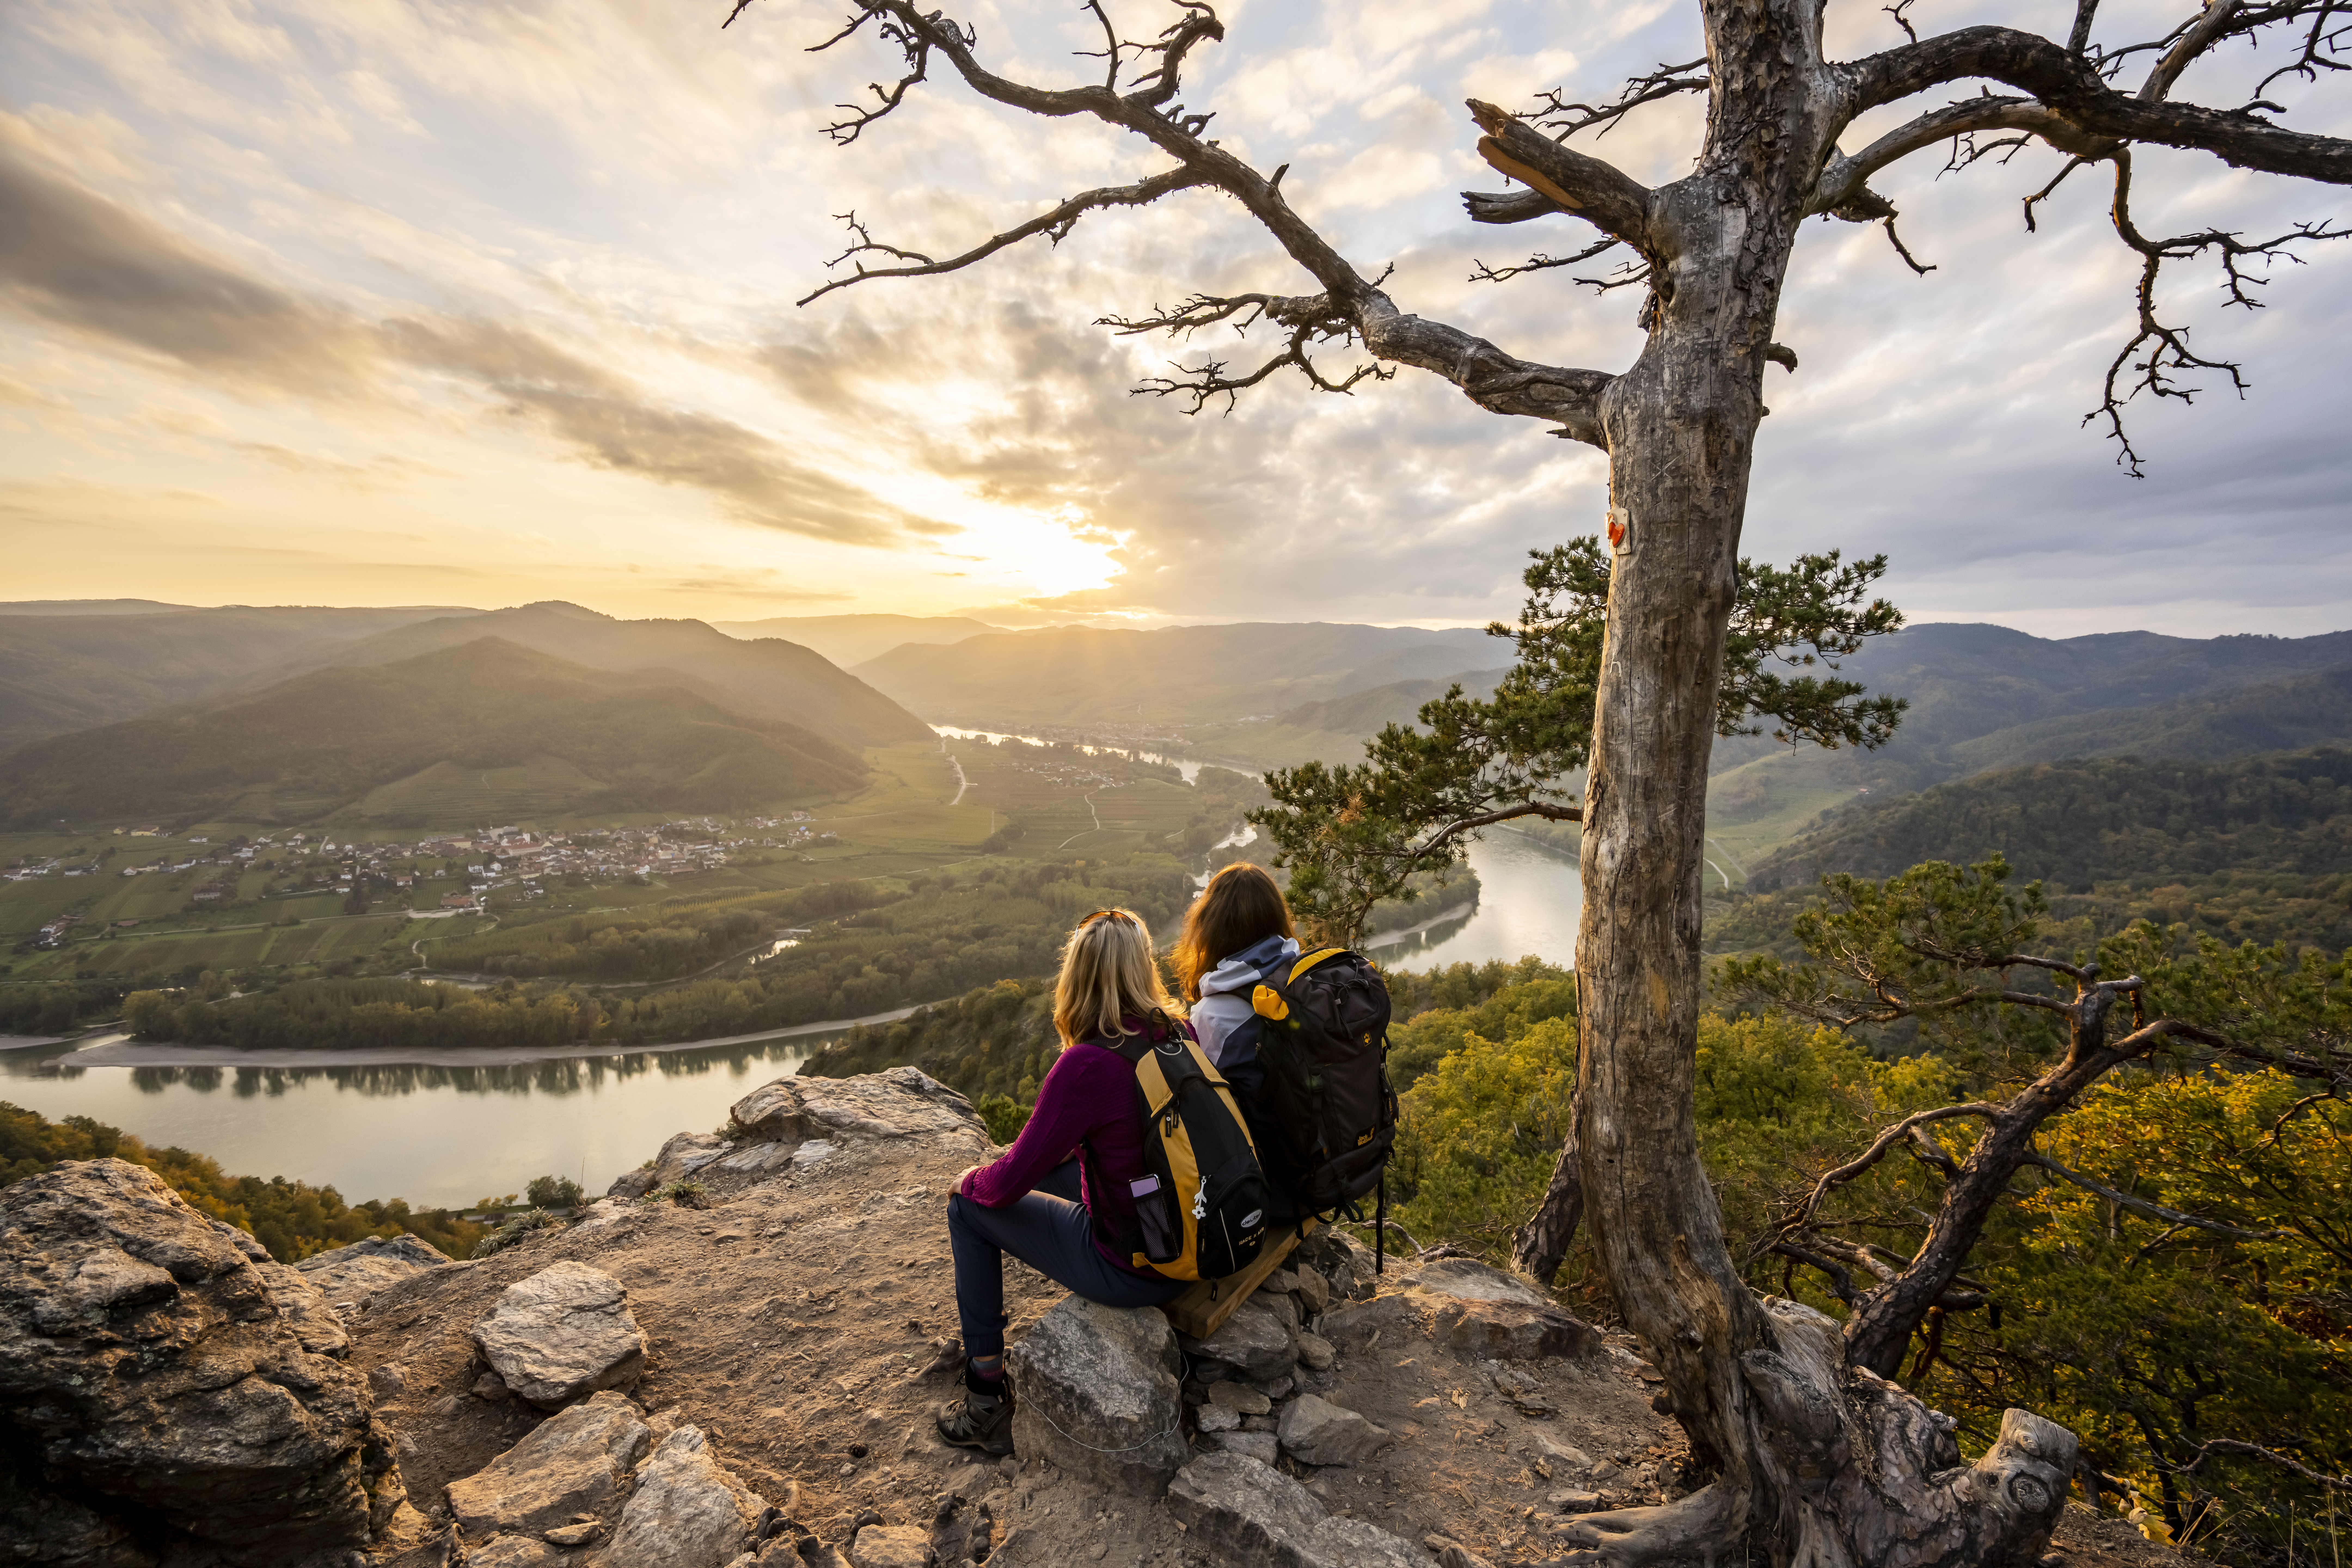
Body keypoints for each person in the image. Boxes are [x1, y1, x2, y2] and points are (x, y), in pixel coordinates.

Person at [936, 907, 1190, 1453]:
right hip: (1194, 1233)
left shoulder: (1086, 1066)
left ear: (1076, 975)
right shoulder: (1179, 1032)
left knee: (968, 1211)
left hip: (1136, 1268)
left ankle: (985, 1399)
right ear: (1144, 968)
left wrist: (972, 1181)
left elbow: (1003, 1188)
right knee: (1049, 1168)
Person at [1170, 863, 1300, 1131]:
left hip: (1269, 1161)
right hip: (1335, 1149)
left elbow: (1205, 1103)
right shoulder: (1303, 977)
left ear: (1213, 928)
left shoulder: (1213, 1014)